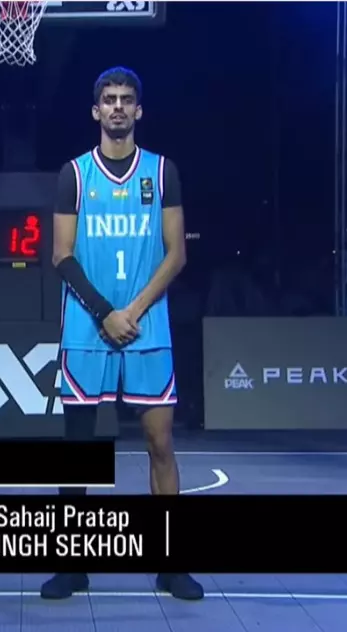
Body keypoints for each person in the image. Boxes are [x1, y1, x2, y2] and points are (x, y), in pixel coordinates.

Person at [42, 66, 204, 602]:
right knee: (78, 451)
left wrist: (130, 310)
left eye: (125, 99)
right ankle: (72, 566)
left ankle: (171, 565)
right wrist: (104, 311)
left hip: (146, 324)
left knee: (160, 443)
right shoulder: (74, 174)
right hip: (87, 327)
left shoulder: (161, 171)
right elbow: (61, 255)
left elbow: (176, 254)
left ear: (138, 110)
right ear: (96, 111)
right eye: (108, 99)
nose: (117, 106)